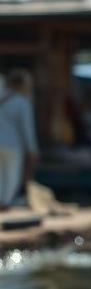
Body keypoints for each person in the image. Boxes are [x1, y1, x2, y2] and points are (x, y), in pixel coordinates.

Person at [0, 70, 38, 210]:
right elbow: (27, 128)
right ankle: (5, 203)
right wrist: (32, 149)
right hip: (12, 145)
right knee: (11, 177)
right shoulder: (22, 102)